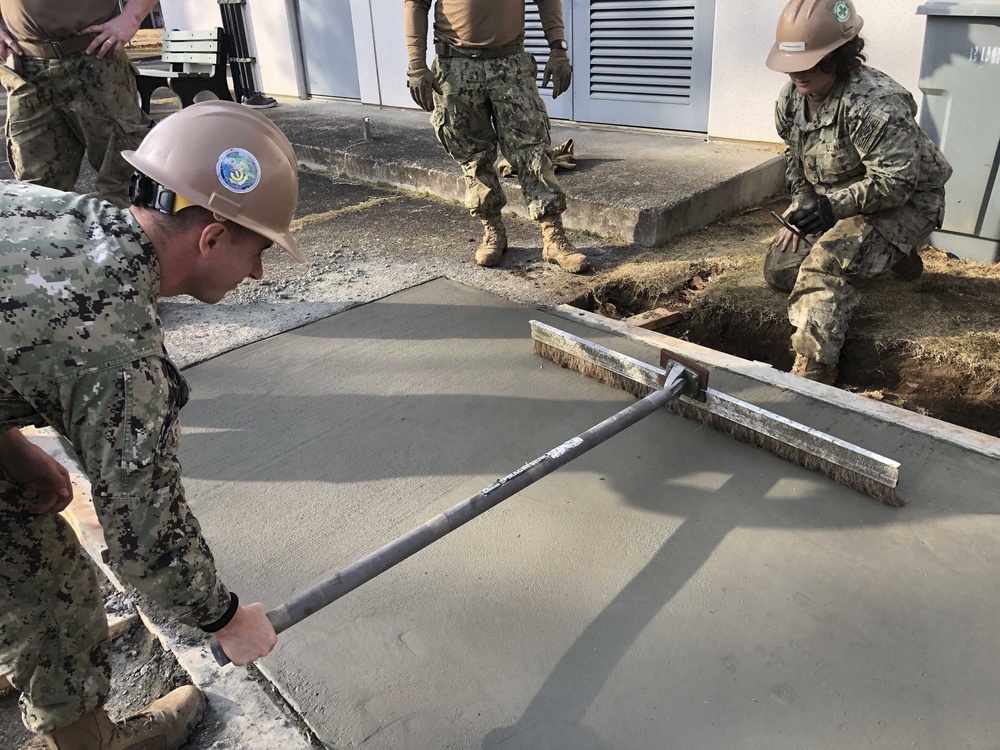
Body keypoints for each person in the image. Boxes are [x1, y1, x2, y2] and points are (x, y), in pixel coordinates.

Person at [0, 100, 302, 749]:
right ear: (212, 237)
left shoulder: (48, 212)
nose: (256, 272)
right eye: (256, 251)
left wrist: (13, 451)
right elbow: (146, 542)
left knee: (33, 552)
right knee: (57, 610)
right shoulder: (115, 347)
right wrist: (223, 618)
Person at [763, 0, 952, 384]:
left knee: (824, 264)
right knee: (779, 270)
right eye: (792, 64)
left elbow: (898, 181)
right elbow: (794, 158)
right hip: (839, 202)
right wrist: (802, 203)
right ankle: (891, 258)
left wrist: (832, 208)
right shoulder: (791, 99)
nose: (798, 73)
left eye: (812, 62)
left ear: (840, 56)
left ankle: (816, 367)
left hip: (907, 203)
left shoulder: (875, 104)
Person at [404, 0, 591, 273]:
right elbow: (416, 4)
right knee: (473, 154)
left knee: (531, 148)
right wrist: (416, 64)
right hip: (455, 66)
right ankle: (493, 230)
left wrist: (558, 49)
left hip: (510, 64)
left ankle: (553, 237)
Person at [0, 0, 160, 207]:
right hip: (27, 70)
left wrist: (132, 17)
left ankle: (134, 239)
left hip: (95, 59)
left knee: (127, 184)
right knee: (38, 194)